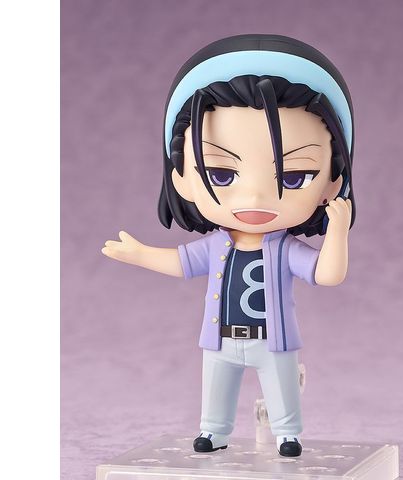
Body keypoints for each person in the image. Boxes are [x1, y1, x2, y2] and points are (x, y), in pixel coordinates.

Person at [102, 34, 355, 457]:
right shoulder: (216, 245)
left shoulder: (284, 249)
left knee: (281, 386)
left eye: (294, 177)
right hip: (219, 337)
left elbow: (327, 275)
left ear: (333, 181)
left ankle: (287, 433)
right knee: (215, 387)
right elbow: (182, 263)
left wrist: (338, 232)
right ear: (181, 177)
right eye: (221, 174)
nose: (254, 197)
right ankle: (213, 431)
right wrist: (140, 254)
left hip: (272, 339)